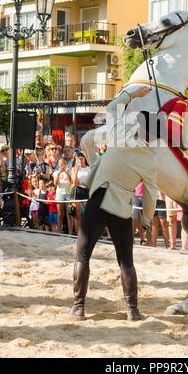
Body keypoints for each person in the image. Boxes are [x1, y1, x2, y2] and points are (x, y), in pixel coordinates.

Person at [69, 86, 158, 321]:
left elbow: (112, 107)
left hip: (98, 200)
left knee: (82, 257)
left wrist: (135, 92)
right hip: (122, 209)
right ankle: (132, 311)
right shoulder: (151, 160)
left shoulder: (120, 134)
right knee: (126, 262)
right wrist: (146, 222)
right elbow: (150, 196)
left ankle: (78, 308)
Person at [71, 152, 90, 235]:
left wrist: (82, 183)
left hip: (86, 190)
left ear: (85, 158)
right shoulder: (74, 169)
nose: (80, 161)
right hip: (76, 190)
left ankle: (86, 232)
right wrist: (76, 171)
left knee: (87, 214)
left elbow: (90, 182)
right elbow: (75, 183)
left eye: (81, 159)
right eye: (78, 160)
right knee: (77, 214)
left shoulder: (89, 168)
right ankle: (78, 233)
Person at [53, 157, 72, 233]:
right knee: (60, 214)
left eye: (64, 163)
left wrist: (68, 174)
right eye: (61, 164)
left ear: (67, 164)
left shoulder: (70, 171)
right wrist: (59, 173)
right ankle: (59, 232)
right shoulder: (56, 172)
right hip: (60, 194)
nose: (62, 165)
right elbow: (55, 183)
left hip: (68, 193)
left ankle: (70, 233)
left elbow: (72, 182)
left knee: (69, 214)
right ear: (59, 164)